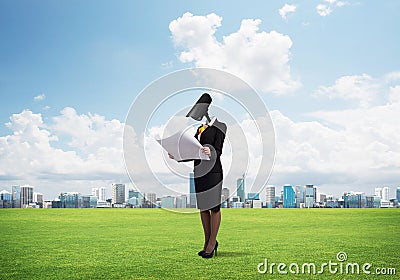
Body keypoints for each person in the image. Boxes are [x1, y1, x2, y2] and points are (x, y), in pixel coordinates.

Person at [169, 93, 227, 259]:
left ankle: (212, 243)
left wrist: (212, 151)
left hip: (214, 172)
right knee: (203, 208)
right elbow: (194, 151)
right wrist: (178, 156)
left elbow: (219, 149)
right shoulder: (199, 129)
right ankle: (207, 241)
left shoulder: (221, 126)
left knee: (214, 208)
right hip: (199, 172)